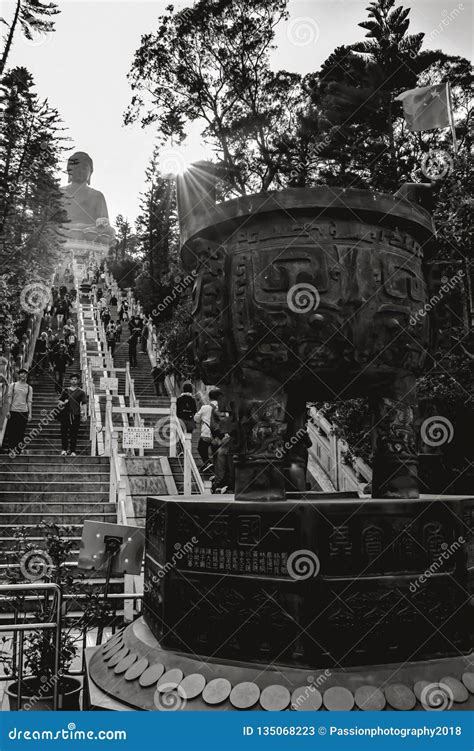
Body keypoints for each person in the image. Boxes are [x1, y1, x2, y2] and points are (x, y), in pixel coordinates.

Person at [58, 374, 87, 456]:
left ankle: (73, 451)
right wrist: (63, 403)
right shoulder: (65, 391)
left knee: (74, 433)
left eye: (75, 379)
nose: (73, 381)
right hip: (65, 415)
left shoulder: (81, 392)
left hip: (76, 415)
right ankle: (64, 449)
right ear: (70, 380)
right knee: (64, 433)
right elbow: (59, 401)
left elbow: (84, 403)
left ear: (78, 381)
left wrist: (84, 414)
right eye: (72, 379)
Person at [194, 388, 223, 471]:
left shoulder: (205, 407)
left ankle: (207, 463)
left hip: (206, 434)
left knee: (201, 448)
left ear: (209, 398)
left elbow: (196, 419)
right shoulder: (222, 408)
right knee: (216, 453)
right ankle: (216, 470)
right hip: (218, 435)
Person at [5, 369, 32, 454]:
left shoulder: (29, 388)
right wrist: (8, 410)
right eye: (21, 374)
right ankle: (11, 447)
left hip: (24, 411)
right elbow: (9, 398)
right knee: (12, 430)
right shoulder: (13, 385)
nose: (23, 375)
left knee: (21, 431)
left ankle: (18, 448)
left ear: (27, 375)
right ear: (19, 375)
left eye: (25, 374)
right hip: (13, 410)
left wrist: (30, 413)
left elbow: (29, 401)